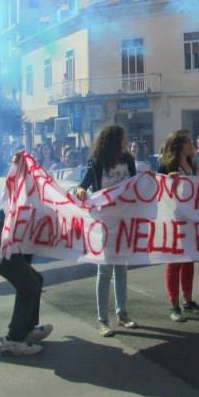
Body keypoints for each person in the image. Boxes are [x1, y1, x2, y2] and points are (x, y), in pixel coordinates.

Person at [0, 154, 52, 357]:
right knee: (29, 284)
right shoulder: (28, 201)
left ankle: (27, 329)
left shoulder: (28, 199)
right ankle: (14, 340)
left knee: (34, 280)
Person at [75, 125, 139, 337]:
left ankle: (123, 314)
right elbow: (82, 185)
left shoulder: (128, 161)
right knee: (105, 271)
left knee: (121, 269)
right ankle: (103, 320)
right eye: (122, 139)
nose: (125, 142)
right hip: (104, 222)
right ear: (114, 141)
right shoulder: (96, 163)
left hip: (123, 221)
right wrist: (82, 190)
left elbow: (135, 184)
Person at [159, 130, 199, 322]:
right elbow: (157, 187)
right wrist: (167, 180)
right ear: (179, 144)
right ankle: (174, 305)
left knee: (189, 260)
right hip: (174, 218)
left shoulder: (194, 164)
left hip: (191, 217)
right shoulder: (167, 165)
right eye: (188, 141)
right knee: (174, 261)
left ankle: (188, 300)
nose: (191, 144)